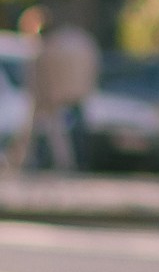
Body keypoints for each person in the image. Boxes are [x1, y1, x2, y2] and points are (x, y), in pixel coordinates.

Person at [5, 11, 101, 175]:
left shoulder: (46, 49)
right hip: (74, 93)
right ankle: (65, 163)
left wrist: (41, 95)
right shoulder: (75, 41)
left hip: (51, 95)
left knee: (52, 133)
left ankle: (58, 163)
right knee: (62, 133)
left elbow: (39, 77)